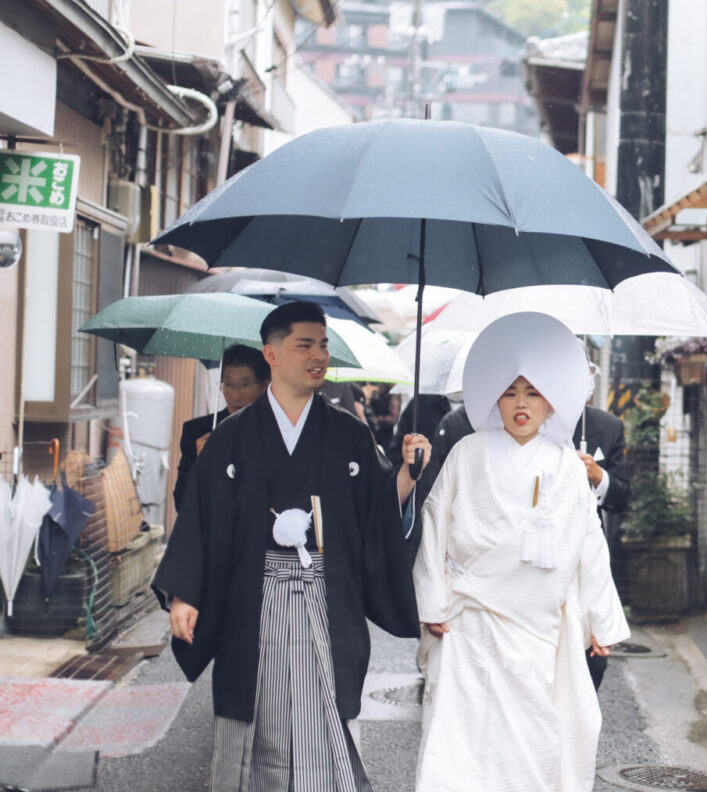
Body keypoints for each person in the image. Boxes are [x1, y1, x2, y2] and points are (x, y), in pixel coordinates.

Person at [152, 301, 430, 792]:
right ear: (272, 354)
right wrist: (185, 593)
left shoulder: (349, 434)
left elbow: (376, 512)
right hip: (251, 602)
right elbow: (201, 518)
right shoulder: (232, 437)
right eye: (305, 344)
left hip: (326, 600)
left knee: (325, 717)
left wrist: (408, 470)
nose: (318, 355)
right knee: (253, 718)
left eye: (323, 344)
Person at [413, 312, 629, 792]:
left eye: (533, 393)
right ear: (495, 398)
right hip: (471, 616)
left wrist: (600, 620)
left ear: (552, 402)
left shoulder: (570, 467)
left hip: (539, 620)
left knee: (536, 731)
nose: (521, 404)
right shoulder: (468, 452)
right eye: (510, 392)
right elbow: (434, 523)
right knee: (463, 733)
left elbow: (589, 544)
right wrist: (432, 602)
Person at [173, 344, 268, 515]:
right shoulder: (197, 431)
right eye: (228, 384)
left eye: (245, 384)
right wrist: (201, 465)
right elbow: (182, 503)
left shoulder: (276, 432)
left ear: (264, 385)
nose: (235, 395)